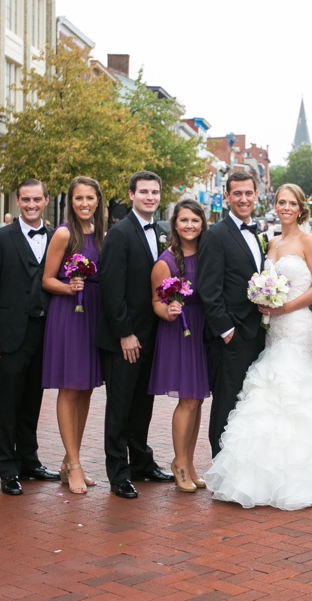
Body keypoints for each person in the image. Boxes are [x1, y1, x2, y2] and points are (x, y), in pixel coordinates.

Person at [205, 184, 312, 509]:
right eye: (281, 201)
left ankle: (302, 477)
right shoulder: (271, 241)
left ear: (302, 207)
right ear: (274, 205)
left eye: (292, 202)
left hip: (297, 325)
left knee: (294, 390)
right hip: (271, 327)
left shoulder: (308, 241)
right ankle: (258, 475)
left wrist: (284, 308)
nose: (286, 207)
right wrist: (265, 302)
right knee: (267, 391)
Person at [0, 179, 61, 496]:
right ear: (17, 201)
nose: (30, 205)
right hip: (11, 331)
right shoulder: (0, 238)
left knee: (33, 399)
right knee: (9, 402)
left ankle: (29, 460)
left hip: (47, 330)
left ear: (45, 200)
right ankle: (8, 467)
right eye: (25, 200)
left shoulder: (57, 236)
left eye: (36, 199)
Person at [97, 171, 174, 499]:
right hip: (124, 339)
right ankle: (119, 474)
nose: (150, 197)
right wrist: (125, 334)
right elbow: (111, 290)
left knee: (143, 405)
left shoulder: (157, 230)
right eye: (143, 192)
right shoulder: (119, 233)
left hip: (150, 334)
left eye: (155, 192)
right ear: (131, 195)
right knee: (120, 408)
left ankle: (142, 464)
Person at [41, 177, 106, 495]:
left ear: (98, 201)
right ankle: (76, 465)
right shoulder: (65, 233)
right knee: (69, 388)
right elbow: (46, 280)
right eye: (78, 198)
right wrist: (69, 287)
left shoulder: (104, 235)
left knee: (86, 390)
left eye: (90, 198)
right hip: (69, 314)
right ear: (71, 201)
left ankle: (70, 460)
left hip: (94, 316)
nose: (84, 203)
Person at [198, 171, 266, 458]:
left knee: (249, 401)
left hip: (259, 333)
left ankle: (243, 463)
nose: (243, 199)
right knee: (226, 402)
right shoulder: (216, 235)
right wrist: (227, 332)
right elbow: (208, 289)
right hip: (232, 337)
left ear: (256, 195)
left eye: (248, 193)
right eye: (237, 193)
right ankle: (221, 464)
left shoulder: (259, 233)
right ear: (226, 196)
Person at [148, 199, 211, 492]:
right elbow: (156, 302)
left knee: (197, 399)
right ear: (175, 224)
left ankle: (189, 461)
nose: (189, 226)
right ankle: (179, 462)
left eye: (195, 221)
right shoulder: (166, 261)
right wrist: (168, 311)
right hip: (180, 330)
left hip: (202, 329)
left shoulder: (207, 254)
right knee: (187, 399)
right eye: (184, 220)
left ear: (202, 224)